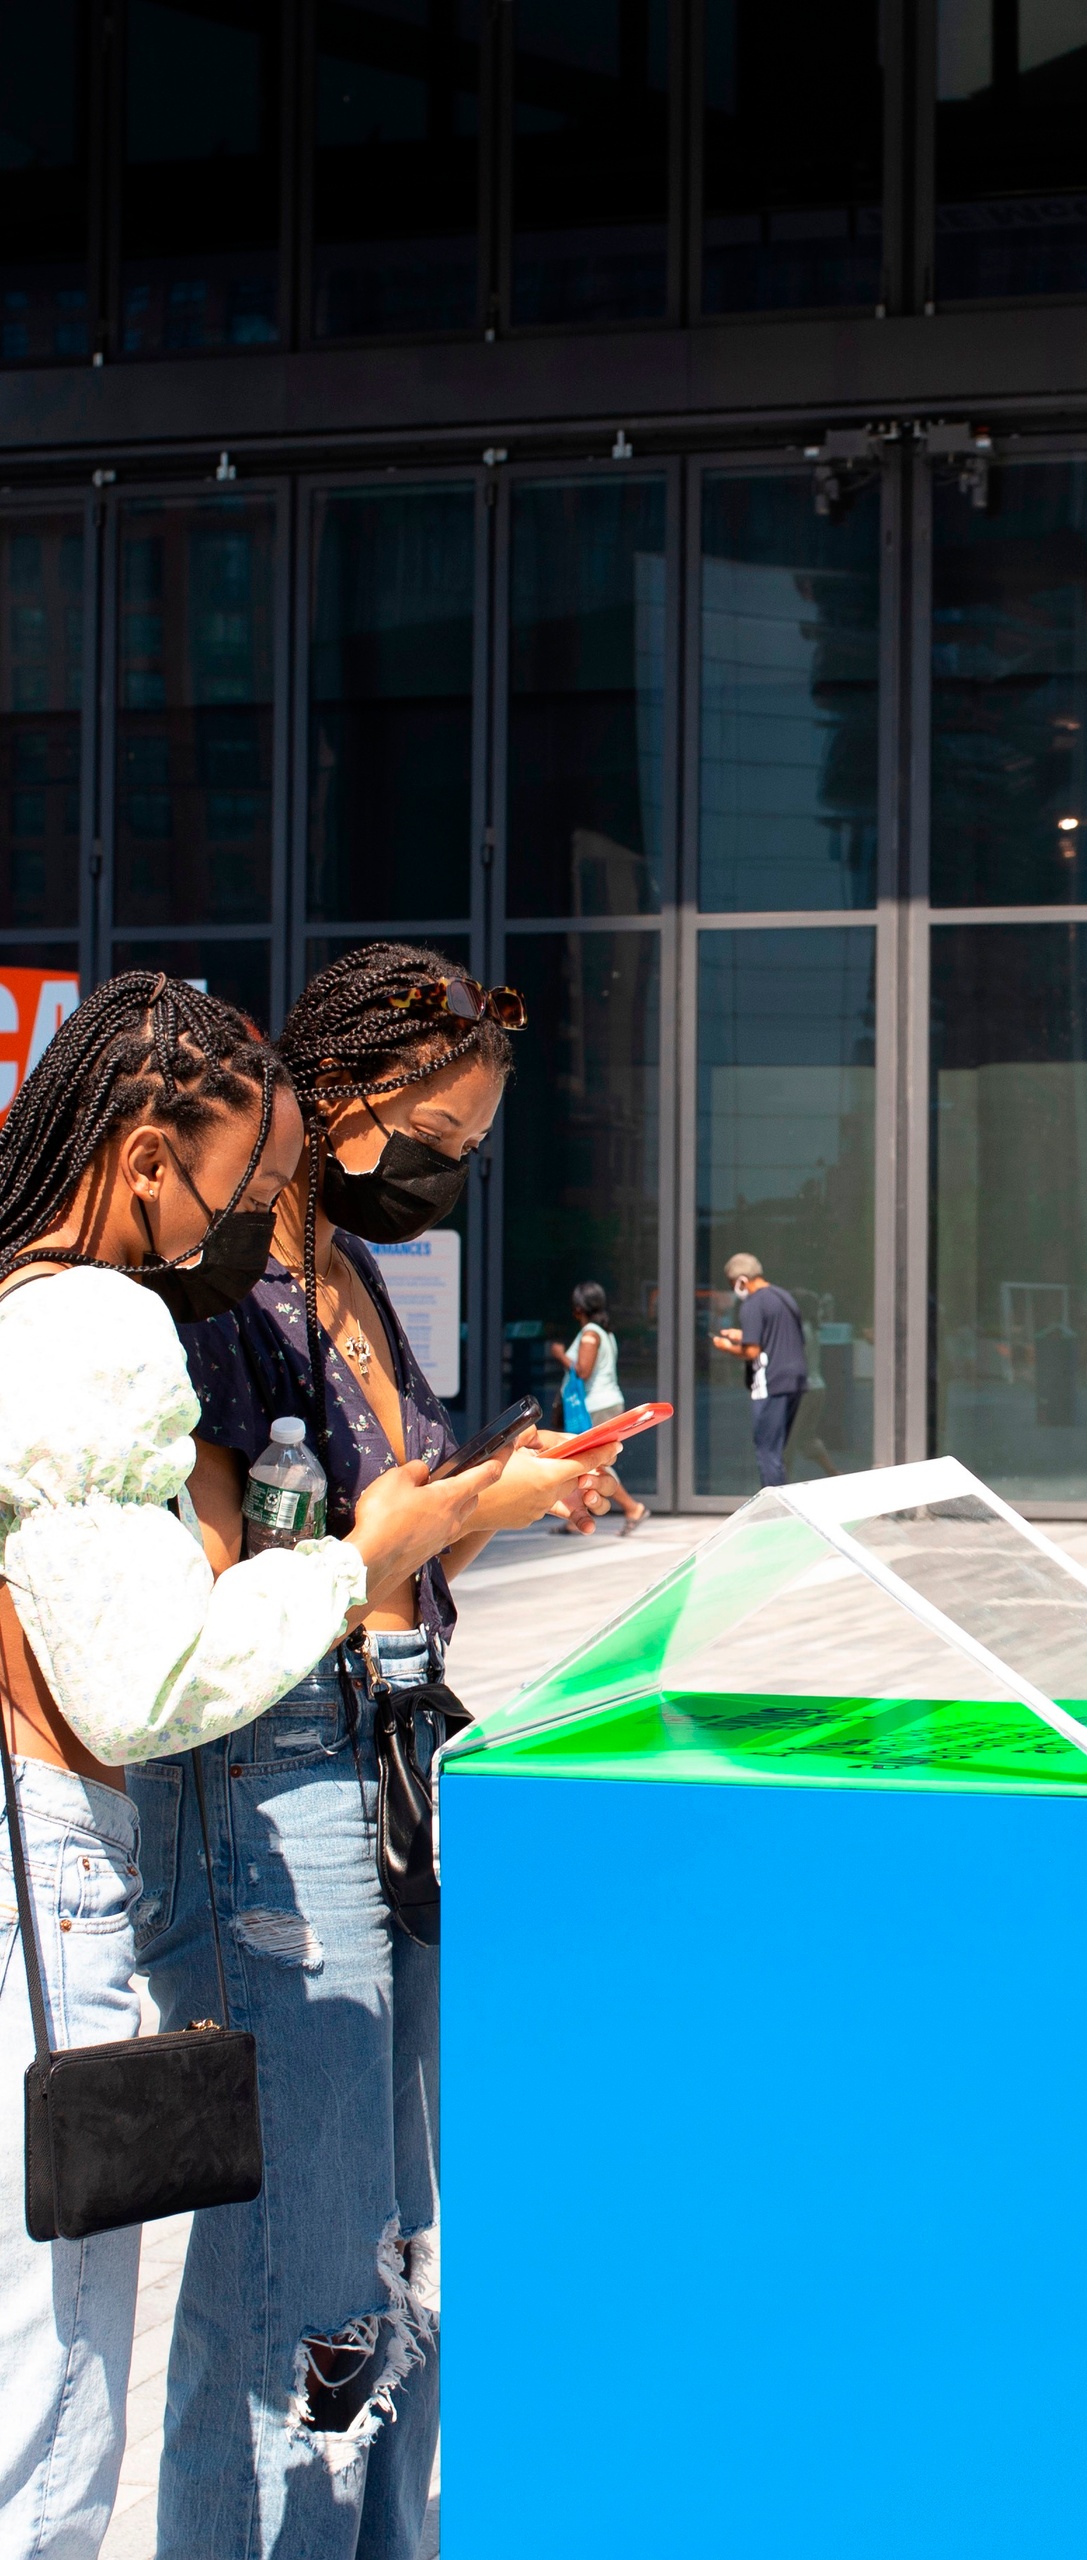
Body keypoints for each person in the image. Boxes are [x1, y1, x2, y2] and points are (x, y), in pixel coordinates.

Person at [0, 974, 489, 2560]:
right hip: (85, 1846)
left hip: (93, 1843)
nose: (239, 1217)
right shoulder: (96, 1321)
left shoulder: (24, 1304)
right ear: (150, 1160)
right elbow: (151, 1673)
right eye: (231, 1181)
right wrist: (363, 1561)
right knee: (60, 2398)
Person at [140, 945, 617, 2560]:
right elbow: (253, 1584)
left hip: (395, 1756)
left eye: (473, 1154)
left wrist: (509, 1490)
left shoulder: (344, 1276)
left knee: (386, 2243)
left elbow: (401, 1548)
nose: (446, 1174)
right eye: (437, 1137)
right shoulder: (223, 1298)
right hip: (292, 1778)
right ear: (337, 1102)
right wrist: (438, 1515)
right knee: (306, 2272)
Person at [547, 1280, 649, 1531]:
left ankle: (632, 1507)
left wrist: (559, 1354)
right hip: (607, 1403)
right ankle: (576, 1518)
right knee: (587, 1463)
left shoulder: (590, 1334)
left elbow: (582, 1370)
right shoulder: (606, 1333)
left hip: (596, 1408)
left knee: (594, 1463)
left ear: (579, 1308)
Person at [711, 1252, 809, 1489]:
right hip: (795, 1380)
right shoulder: (784, 1297)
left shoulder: (753, 1304)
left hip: (770, 1381)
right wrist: (742, 1335)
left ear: (742, 1280)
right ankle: (783, 1501)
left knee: (766, 1450)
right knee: (778, 1448)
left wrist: (727, 1347)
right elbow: (777, 1336)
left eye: (733, 1283)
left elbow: (752, 1351)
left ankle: (775, 1510)